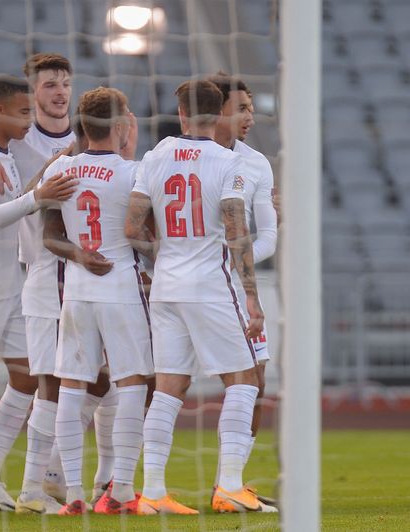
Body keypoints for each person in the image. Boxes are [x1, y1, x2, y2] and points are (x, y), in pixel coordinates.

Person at [0, 53, 123, 510]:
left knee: (42, 379)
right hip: (26, 274)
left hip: (45, 279)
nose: (58, 92)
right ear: (31, 93)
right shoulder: (18, 137)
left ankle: (0, 476)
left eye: (65, 83)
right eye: (49, 85)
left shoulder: (82, 137)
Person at [126, 79, 273, 514]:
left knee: (169, 387)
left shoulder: (155, 157)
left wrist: (164, 255)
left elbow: (132, 228)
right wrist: (252, 297)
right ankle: (229, 485)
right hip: (210, 285)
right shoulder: (228, 163)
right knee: (244, 380)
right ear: (218, 114)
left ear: (182, 114)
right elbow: (235, 231)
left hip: (166, 287)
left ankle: (152, 492)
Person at [0, 75, 76, 512]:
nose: (31, 120)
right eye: (25, 112)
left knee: (28, 376)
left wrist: (42, 184)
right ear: (0, 112)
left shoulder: (3, 156)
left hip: (14, 288)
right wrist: (38, 198)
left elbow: (20, 199)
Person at [42, 87, 152, 515]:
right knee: (132, 383)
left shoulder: (64, 167)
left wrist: (80, 254)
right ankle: (121, 489)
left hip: (77, 288)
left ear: (82, 125)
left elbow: (50, 235)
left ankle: (72, 495)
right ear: (123, 125)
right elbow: (144, 235)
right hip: (120, 285)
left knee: (72, 385)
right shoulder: (134, 174)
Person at [204, 71, 278, 506]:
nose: (250, 116)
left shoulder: (256, 163)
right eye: (242, 108)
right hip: (182, 290)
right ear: (216, 112)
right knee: (154, 384)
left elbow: (269, 234)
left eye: (251, 107)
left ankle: (229, 484)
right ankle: (116, 484)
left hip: (233, 284)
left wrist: (236, 262)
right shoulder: (174, 154)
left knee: (256, 379)